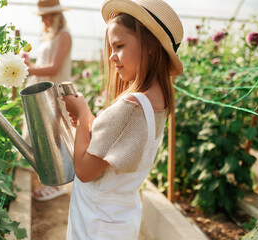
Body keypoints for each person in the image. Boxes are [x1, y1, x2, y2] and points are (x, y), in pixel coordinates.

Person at [62, 0, 183, 238]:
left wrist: (83, 113)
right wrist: (87, 124)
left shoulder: (130, 106)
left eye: (119, 46)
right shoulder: (156, 102)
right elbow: (114, 143)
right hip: (120, 220)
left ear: (149, 43)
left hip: (93, 221)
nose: (111, 57)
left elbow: (85, 171)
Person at [22, 0, 72, 201]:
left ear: (57, 15)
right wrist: (30, 64)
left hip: (52, 93)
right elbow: (44, 65)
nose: (43, 19)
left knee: (55, 138)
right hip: (42, 91)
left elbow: (54, 68)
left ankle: (60, 184)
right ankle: (52, 179)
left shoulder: (64, 35)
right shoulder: (49, 36)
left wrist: (28, 69)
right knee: (42, 136)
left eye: (46, 15)